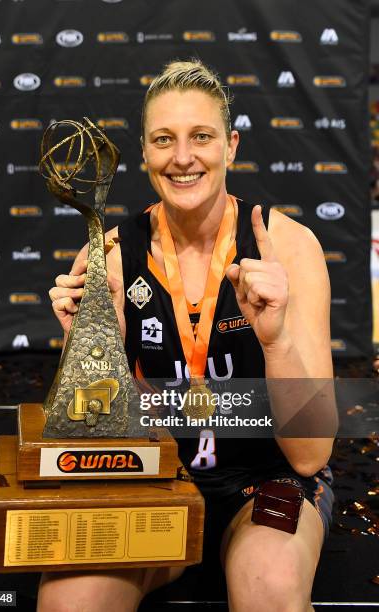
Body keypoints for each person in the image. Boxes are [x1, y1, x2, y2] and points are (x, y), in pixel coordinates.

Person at [38, 59, 336, 612]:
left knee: (267, 586)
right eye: (163, 140)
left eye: (202, 137)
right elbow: (90, 443)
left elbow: (310, 455)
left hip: (265, 478)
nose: (182, 157)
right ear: (145, 153)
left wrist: (275, 342)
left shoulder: (288, 248)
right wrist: (96, 358)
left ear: (231, 146)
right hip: (150, 481)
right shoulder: (107, 257)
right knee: (69, 599)